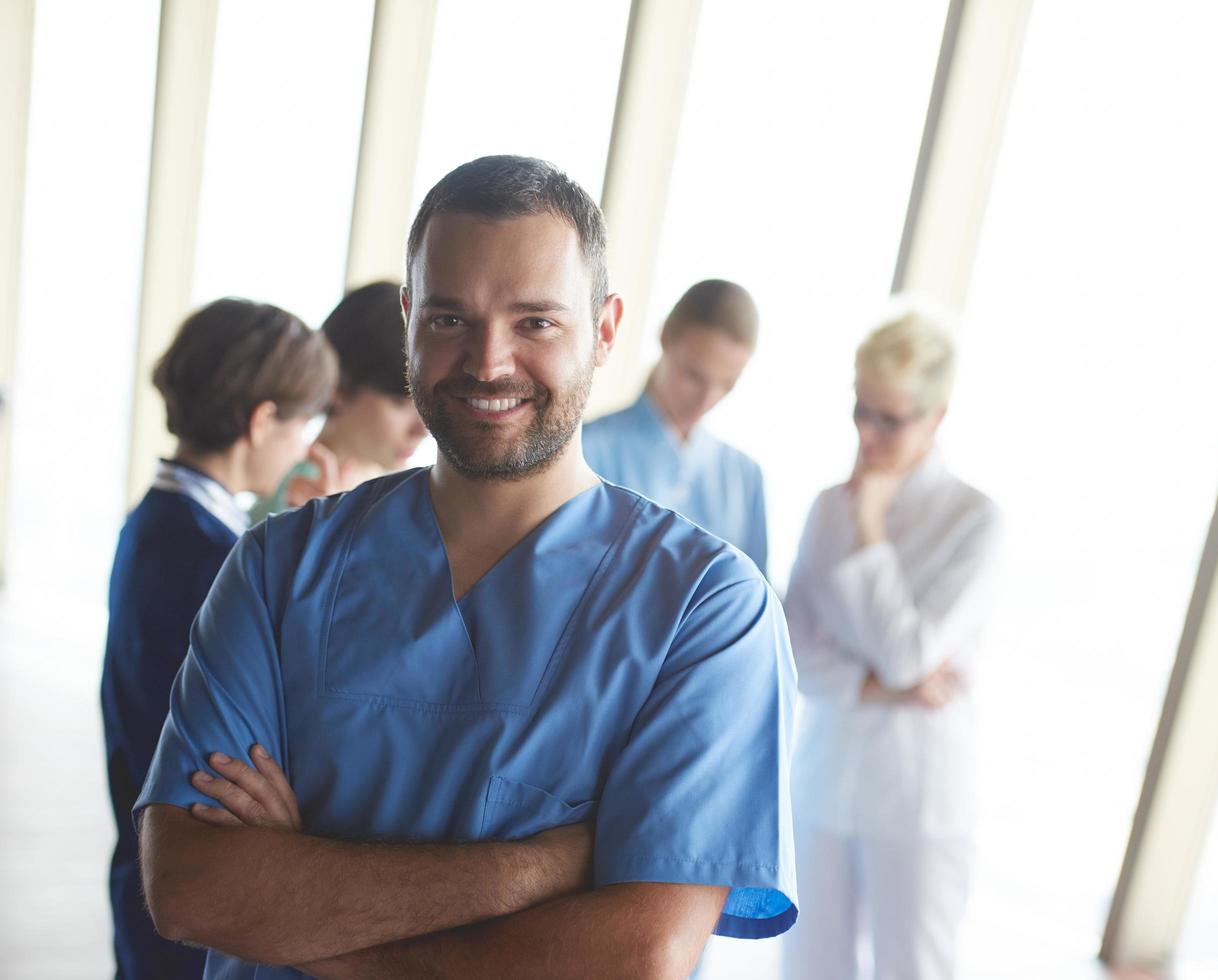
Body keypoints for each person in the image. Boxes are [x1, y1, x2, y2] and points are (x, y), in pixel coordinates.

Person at [134, 155, 798, 979]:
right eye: (450, 319)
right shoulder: (277, 568)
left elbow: (636, 957)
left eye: (535, 323)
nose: (488, 362)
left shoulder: (708, 612)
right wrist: (544, 868)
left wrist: (312, 925)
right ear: (409, 317)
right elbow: (193, 887)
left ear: (602, 328)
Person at [100, 299, 336, 979]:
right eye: (300, 426)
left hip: (141, 863)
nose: (302, 449)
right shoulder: (214, 561)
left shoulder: (154, 523)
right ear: (262, 421)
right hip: (187, 881)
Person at [780, 309, 1001, 980]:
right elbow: (796, 654)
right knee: (810, 970)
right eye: (860, 410)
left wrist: (871, 527)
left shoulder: (974, 520)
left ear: (936, 417)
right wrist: (880, 685)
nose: (867, 433)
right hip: (824, 782)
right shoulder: (825, 508)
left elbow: (908, 651)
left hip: (916, 798)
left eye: (889, 419)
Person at [583, 279, 768, 573]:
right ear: (665, 337)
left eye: (726, 384)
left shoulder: (745, 478)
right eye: (694, 376)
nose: (707, 399)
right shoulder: (587, 448)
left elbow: (757, 605)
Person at [251, 281, 427, 519]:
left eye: (424, 401)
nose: (422, 429)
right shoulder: (294, 496)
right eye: (400, 402)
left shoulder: (404, 493)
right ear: (339, 388)